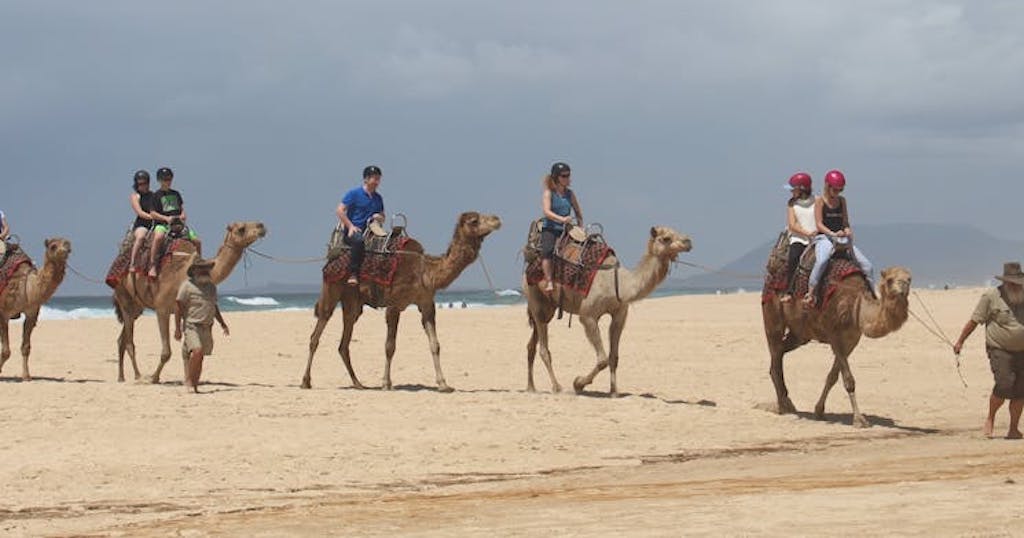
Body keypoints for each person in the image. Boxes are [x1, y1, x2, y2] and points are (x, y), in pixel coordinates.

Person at [952, 262, 1024, 439]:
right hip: (999, 348)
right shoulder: (991, 296)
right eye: (1012, 282)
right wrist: (960, 341)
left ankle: (1013, 428)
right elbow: (975, 320)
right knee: (1004, 384)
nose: (1015, 285)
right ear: (1005, 282)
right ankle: (990, 418)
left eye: (1018, 282)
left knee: (1021, 390)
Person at [804, 169, 873, 306]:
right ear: (828, 187)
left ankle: (872, 294)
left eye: (840, 190)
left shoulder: (842, 201)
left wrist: (847, 230)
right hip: (824, 238)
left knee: (867, 265)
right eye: (835, 190)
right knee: (822, 260)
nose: (838, 193)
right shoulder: (820, 201)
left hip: (841, 238)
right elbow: (819, 224)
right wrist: (832, 234)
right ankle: (810, 292)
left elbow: (845, 222)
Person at [174, 258, 229, 393]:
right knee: (197, 352)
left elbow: (214, 306)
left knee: (200, 357)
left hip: (207, 327)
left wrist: (222, 324)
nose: (205, 272)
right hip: (192, 325)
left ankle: (194, 383)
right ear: (194, 271)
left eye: (207, 269)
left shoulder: (211, 287)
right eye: (201, 269)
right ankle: (191, 383)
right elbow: (178, 306)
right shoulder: (186, 286)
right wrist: (177, 328)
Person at [335, 165, 384, 286]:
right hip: (353, 231)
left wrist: (379, 217)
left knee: (390, 245)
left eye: (378, 179)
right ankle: (353, 273)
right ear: (366, 179)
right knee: (359, 241)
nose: (377, 182)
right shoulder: (354, 193)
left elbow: (383, 217)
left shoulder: (378, 198)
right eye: (374, 178)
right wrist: (350, 226)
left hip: (372, 231)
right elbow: (339, 210)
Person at [539, 162, 584, 294]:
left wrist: (580, 226)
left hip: (567, 229)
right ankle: (549, 281)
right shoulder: (549, 193)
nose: (567, 178)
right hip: (551, 228)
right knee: (547, 252)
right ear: (556, 177)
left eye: (568, 175)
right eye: (564, 176)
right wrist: (562, 219)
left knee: (582, 250)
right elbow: (546, 211)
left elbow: (578, 211)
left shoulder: (570, 194)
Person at [148, 167, 201, 278]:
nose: (167, 181)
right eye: (164, 179)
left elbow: (182, 208)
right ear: (159, 180)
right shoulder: (156, 195)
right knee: (158, 237)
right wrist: (166, 219)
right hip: (163, 225)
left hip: (178, 225)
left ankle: (199, 264)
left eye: (169, 179)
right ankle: (152, 265)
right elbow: (152, 213)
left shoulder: (176, 194)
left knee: (197, 241)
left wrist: (182, 215)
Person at [779, 172, 816, 303]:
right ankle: (789, 290)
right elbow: (792, 225)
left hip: (816, 239)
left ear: (802, 189)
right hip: (799, 239)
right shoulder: (791, 204)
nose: (791, 192)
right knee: (794, 257)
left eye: (793, 189)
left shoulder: (817, 201)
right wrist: (807, 233)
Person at [128, 170, 155, 272]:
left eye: (145, 183)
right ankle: (133, 263)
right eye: (141, 184)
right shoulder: (135, 196)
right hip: (142, 224)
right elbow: (139, 212)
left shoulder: (155, 195)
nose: (144, 186)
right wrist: (152, 217)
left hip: (157, 224)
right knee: (141, 237)